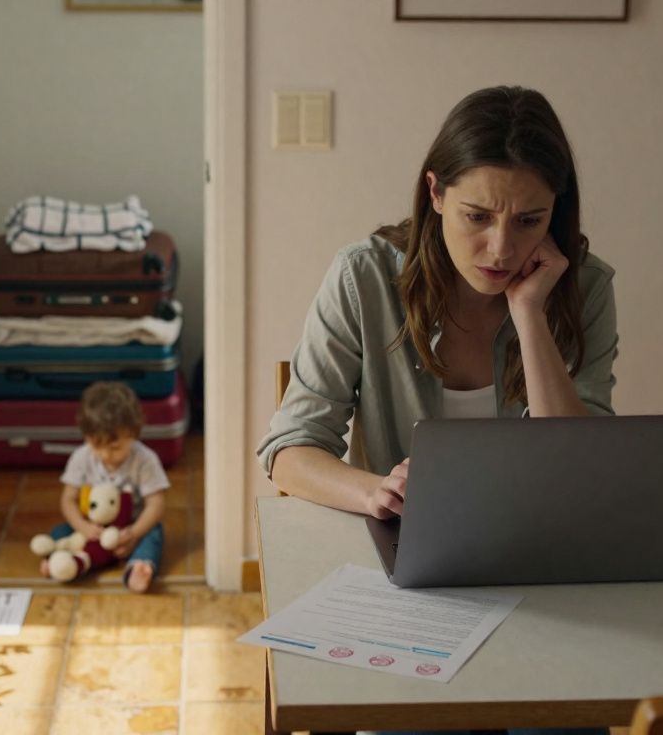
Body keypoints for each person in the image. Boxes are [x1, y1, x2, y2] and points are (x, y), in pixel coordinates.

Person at [257, 86, 618, 735]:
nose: (501, 250)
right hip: (412, 585)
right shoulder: (363, 278)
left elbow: (582, 467)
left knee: (567, 721)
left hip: (545, 580)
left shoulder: (583, 287)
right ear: (435, 194)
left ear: (555, 213)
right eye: (477, 216)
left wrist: (530, 315)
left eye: (529, 220)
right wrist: (377, 492)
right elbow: (288, 453)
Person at [41, 381, 168, 593]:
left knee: (154, 533)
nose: (106, 455)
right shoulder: (81, 457)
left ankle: (138, 567)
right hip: (92, 528)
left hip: (130, 526)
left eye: (115, 447)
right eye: (97, 446)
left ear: (133, 433)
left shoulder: (145, 459)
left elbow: (156, 502)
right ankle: (58, 558)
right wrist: (82, 527)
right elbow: (68, 499)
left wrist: (134, 533)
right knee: (61, 530)